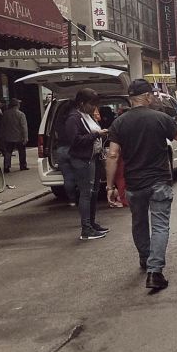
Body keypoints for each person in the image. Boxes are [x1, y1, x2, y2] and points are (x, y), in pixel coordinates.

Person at [105, 79, 177, 291]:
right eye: (152, 94)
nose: (154, 97)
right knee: (160, 225)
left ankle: (145, 259)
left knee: (139, 223)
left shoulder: (119, 123)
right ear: (146, 96)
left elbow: (112, 154)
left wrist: (110, 186)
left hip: (134, 184)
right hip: (159, 181)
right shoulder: (161, 119)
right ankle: (155, 272)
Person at [63, 89, 110, 240]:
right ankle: (86, 228)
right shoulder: (73, 118)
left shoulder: (86, 116)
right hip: (82, 159)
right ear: (82, 103)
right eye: (92, 104)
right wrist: (97, 134)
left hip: (92, 157)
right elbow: (75, 140)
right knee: (86, 193)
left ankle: (92, 223)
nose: (94, 108)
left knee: (93, 192)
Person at [55, 100, 78, 207]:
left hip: (61, 150)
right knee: (81, 175)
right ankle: (82, 198)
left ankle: (72, 200)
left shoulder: (59, 120)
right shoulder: (74, 119)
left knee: (68, 177)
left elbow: (55, 134)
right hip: (73, 149)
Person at [0, 98, 28, 173]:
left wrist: (2, 136)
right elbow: (24, 127)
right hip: (19, 137)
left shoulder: (5, 114)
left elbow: (2, 126)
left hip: (8, 137)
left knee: (8, 152)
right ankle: (23, 165)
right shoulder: (21, 114)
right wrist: (25, 137)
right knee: (22, 151)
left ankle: (6, 166)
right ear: (17, 105)